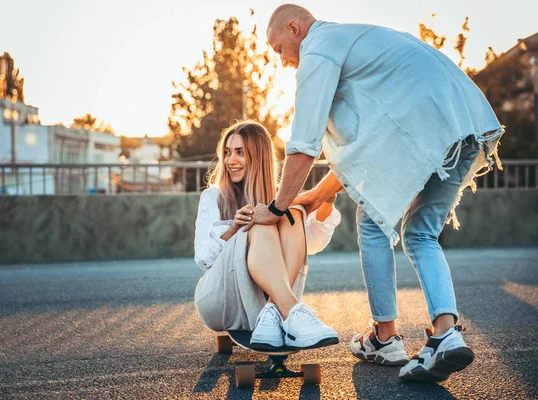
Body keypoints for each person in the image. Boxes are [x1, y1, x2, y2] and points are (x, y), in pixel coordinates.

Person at [246, 4, 504, 382]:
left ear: (294, 28)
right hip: (464, 123)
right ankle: (446, 335)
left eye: (277, 48)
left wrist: (276, 207)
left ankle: (384, 338)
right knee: (420, 233)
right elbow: (369, 147)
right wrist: (319, 193)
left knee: (371, 221)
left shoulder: (318, 48)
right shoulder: (352, 39)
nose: (281, 60)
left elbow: (303, 144)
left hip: (428, 125)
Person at [193, 120, 340, 350]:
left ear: (259, 156)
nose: (231, 161)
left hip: (262, 302)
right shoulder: (213, 197)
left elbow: (311, 244)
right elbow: (203, 260)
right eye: (228, 152)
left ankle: (273, 311)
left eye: (240, 152)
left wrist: (326, 200)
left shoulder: (280, 199)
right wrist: (234, 229)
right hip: (220, 299)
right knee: (259, 221)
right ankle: (292, 311)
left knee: (293, 212)